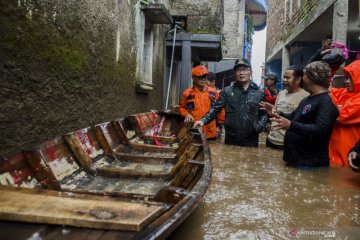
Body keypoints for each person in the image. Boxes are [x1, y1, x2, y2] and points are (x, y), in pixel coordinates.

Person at [264, 61, 338, 167]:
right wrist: (277, 113)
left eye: (305, 75)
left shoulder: (326, 101)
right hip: (295, 159)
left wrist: (290, 125)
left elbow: (321, 129)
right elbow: (294, 117)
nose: (302, 78)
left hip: (310, 162)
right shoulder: (308, 98)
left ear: (313, 78)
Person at [193, 58, 268, 147]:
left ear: (251, 72)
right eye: (238, 70)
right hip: (231, 139)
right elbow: (216, 109)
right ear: (234, 73)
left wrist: (259, 127)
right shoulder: (227, 91)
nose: (241, 73)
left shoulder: (259, 93)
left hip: (251, 140)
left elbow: (264, 114)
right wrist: (202, 121)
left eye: (244, 69)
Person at [261, 66, 309, 150]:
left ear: (298, 79)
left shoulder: (306, 96)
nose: (284, 80)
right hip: (271, 140)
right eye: (284, 77)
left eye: (288, 78)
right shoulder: (281, 93)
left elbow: (305, 123)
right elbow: (275, 114)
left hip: (288, 144)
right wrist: (271, 113)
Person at [329, 60, 360, 166]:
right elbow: (325, 91)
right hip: (334, 147)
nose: (346, 81)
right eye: (346, 78)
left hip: (350, 148)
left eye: (351, 78)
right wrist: (330, 72)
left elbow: (341, 116)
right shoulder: (344, 92)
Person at [178, 65, 220, 139]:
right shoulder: (187, 93)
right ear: (193, 78)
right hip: (194, 132)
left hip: (210, 133)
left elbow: (220, 109)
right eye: (200, 77)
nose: (203, 79)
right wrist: (186, 114)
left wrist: (219, 125)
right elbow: (181, 107)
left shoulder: (213, 92)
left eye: (205, 76)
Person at [205, 72, 225, 138]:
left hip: (214, 125)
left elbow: (221, 110)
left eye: (206, 83)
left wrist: (219, 125)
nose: (204, 85)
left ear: (213, 82)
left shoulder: (218, 94)